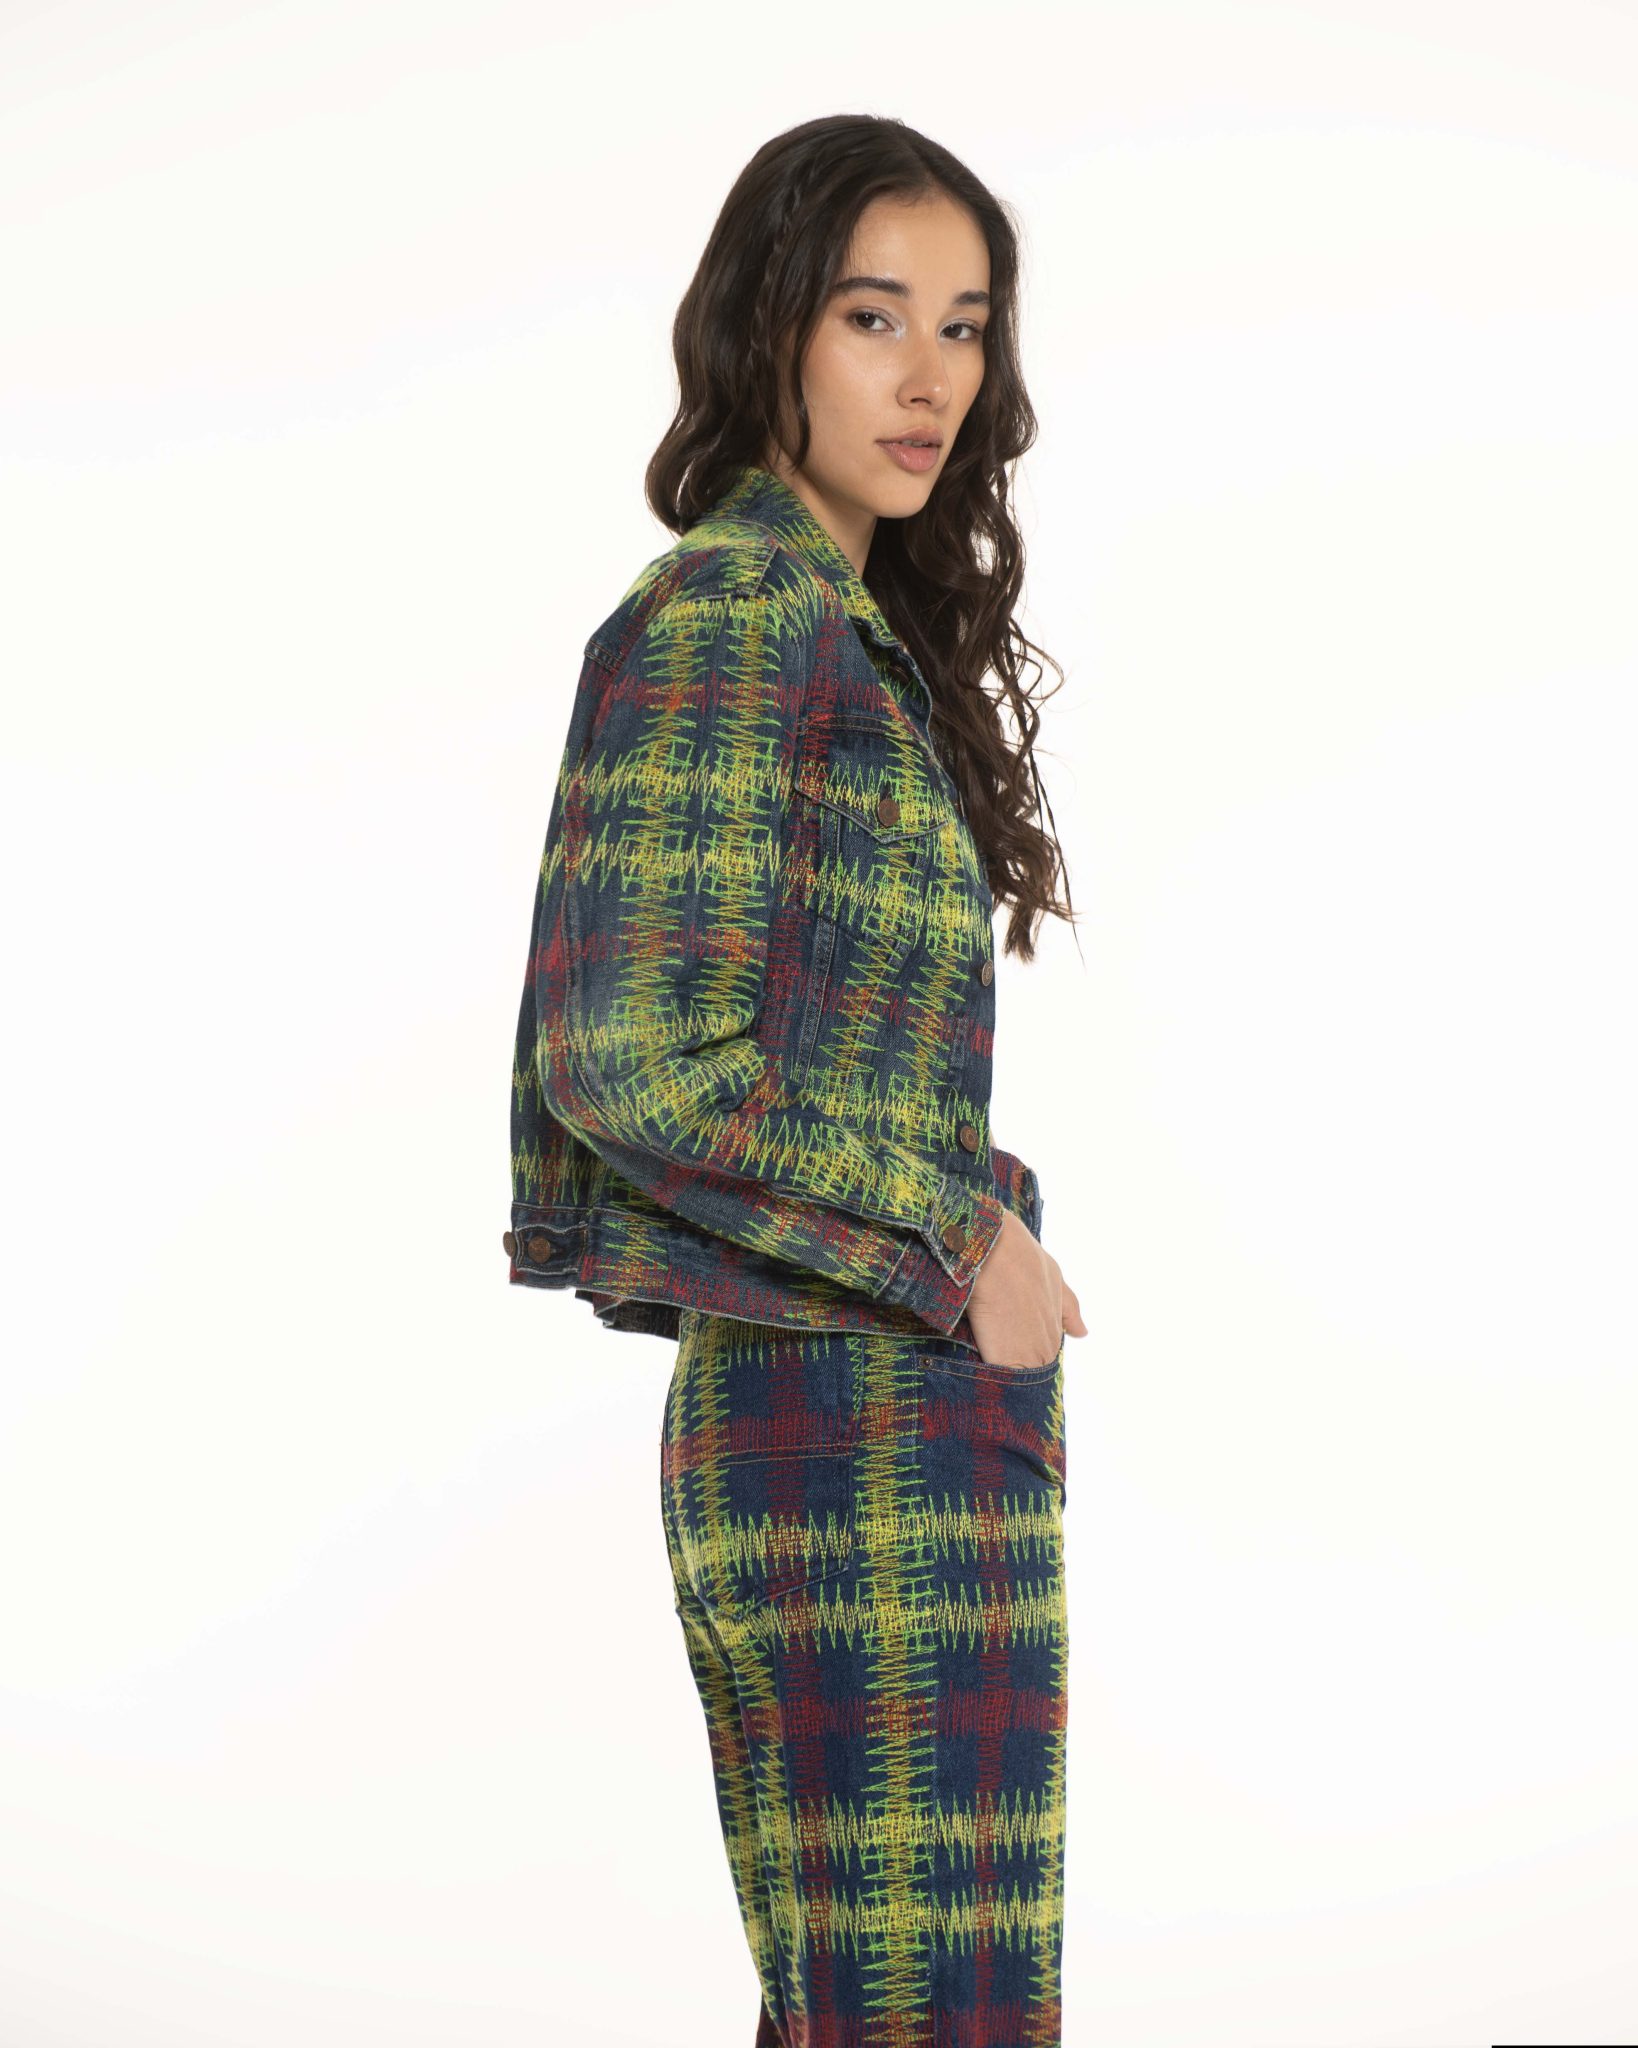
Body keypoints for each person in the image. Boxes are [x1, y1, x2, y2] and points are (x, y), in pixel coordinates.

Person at [505, 111, 1084, 2048]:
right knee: (926, 2014)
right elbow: (628, 1054)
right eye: (872, 315)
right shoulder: (733, 613)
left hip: (887, 1397)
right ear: (770, 326)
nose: (930, 377)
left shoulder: (845, 633)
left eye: (965, 326)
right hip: (841, 1412)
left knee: (913, 2004)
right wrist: (958, 1236)